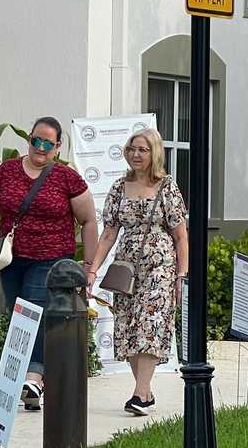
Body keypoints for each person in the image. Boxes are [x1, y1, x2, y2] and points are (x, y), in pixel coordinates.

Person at [0, 117, 98, 411]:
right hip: (10, 259)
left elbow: (88, 221)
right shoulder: (7, 171)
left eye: (47, 143)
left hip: (50, 259)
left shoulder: (67, 178)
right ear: (29, 139)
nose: (40, 147)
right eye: (35, 140)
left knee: (33, 311)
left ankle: (34, 376)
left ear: (58, 147)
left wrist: (89, 266)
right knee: (19, 317)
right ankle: (27, 381)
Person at [86, 128, 189, 417]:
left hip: (161, 265)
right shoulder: (119, 187)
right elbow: (108, 234)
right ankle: (145, 389)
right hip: (127, 267)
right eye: (132, 148)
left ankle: (140, 394)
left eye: (142, 149)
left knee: (149, 324)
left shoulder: (167, 186)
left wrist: (181, 275)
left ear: (154, 153)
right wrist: (93, 269)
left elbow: (181, 235)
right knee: (129, 328)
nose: (136, 154)